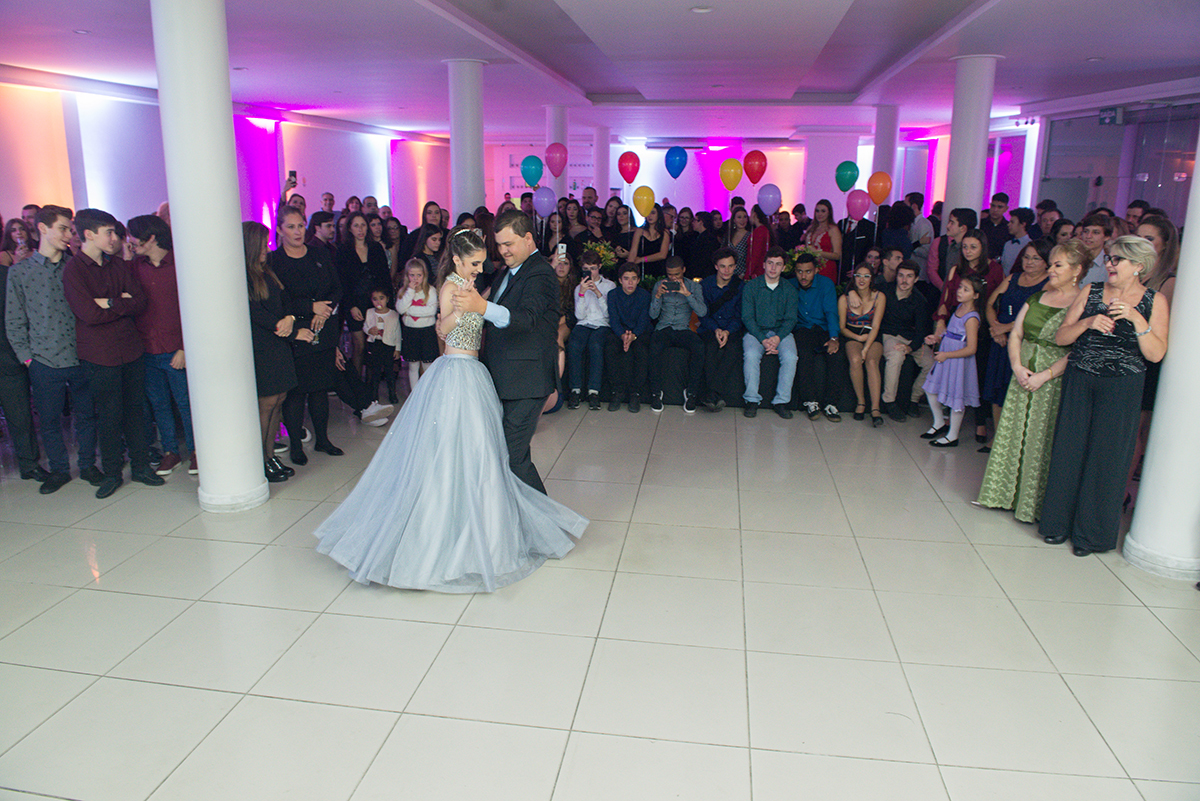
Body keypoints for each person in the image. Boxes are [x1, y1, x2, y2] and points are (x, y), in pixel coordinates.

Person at [314, 226, 585, 592]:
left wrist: (476, 302)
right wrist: (462, 310)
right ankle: (448, 532)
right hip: (456, 372)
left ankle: (493, 528)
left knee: (483, 455)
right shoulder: (449, 288)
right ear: (457, 260)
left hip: (476, 373)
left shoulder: (474, 286)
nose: (479, 269)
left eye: (481, 262)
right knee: (452, 455)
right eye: (473, 263)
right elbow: (441, 329)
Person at [1040, 236, 1169, 555]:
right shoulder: (1091, 291)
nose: (1109, 264)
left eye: (1118, 260)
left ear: (1138, 266)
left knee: (1107, 459)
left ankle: (1091, 536)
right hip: (1082, 377)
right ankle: (1056, 525)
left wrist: (1137, 319)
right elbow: (1061, 337)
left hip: (1123, 385)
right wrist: (1087, 322)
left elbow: (1156, 355)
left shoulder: (1155, 301)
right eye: (1109, 259)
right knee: (1069, 449)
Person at [976, 240, 1086, 522]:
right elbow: (1016, 333)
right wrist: (1017, 366)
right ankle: (1001, 494)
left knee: (1041, 437)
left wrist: (1044, 376)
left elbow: (1076, 350)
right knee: (1012, 431)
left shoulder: (1082, 304)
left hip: (1052, 379)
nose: (1051, 270)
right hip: (1022, 370)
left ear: (1077, 271)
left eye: (1057, 265)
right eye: (1051, 264)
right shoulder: (1038, 297)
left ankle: (1031, 504)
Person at [452, 210, 561, 493]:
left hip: (527, 380)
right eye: (498, 245)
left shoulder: (540, 273)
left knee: (513, 455)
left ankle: (545, 526)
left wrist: (481, 307)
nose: (503, 251)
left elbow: (524, 318)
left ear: (527, 238)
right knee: (505, 453)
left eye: (508, 244)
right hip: (504, 377)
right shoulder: (506, 271)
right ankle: (521, 519)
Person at [63, 208, 164, 498]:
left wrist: (108, 302)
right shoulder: (74, 271)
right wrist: (120, 303)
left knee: (136, 411)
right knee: (108, 416)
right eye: (108, 232)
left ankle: (142, 467)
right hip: (99, 354)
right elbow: (88, 315)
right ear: (89, 235)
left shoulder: (118, 266)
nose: (115, 238)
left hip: (130, 348)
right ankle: (111, 473)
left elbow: (140, 302)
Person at [6, 205, 102, 493]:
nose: (69, 234)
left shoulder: (76, 267)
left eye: (70, 229)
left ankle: (87, 465)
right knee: (49, 421)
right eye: (63, 228)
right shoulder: (20, 272)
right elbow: (14, 320)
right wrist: (27, 359)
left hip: (81, 355)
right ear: (43, 229)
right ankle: (59, 470)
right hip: (43, 361)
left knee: (86, 415)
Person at [271, 205, 345, 466]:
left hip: (323, 328)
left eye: (300, 225)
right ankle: (295, 445)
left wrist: (325, 310)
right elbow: (279, 302)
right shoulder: (274, 262)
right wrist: (309, 307)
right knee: (297, 393)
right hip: (296, 332)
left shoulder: (319, 253)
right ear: (280, 230)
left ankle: (323, 440)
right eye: (290, 227)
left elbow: (337, 288)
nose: (297, 231)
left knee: (320, 389)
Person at [127, 214, 197, 476]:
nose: (131, 242)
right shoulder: (135, 266)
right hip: (146, 347)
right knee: (159, 404)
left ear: (151, 237)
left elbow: (191, 308)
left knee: (185, 402)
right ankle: (170, 452)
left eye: (134, 237)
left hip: (176, 348)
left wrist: (183, 346)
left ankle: (196, 450)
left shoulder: (179, 263)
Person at [244, 221, 307, 483]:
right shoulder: (244, 275)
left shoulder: (266, 271)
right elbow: (252, 311)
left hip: (279, 342)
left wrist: (290, 317)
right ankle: (259, 460)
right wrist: (279, 324)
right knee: (266, 404)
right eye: (262, 243)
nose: (266, 247)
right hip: (262, 344)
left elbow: (286, 300)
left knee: (279, 400)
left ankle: (270, 456)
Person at [979, 239, 1051, 449]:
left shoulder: (1048, 284)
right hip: (1000, 340)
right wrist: (995, 327)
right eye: (1026, 257)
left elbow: (1038, 318)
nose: (1029, 262)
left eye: (1036, 258)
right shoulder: (1013, 278)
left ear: (1046, 262)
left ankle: (1013, 442)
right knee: (996, 388)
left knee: (1015, 389)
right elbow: (991, 303)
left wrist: (1007, 328)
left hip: (1024, 343)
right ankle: (997, 437)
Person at [0, 224, 46, 481]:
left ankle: (29, 464)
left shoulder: (6, 276)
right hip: (8, 357)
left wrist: (25, 355)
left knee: (19, 415)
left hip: (8, 357)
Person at [920, 277, 983, 447]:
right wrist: (937, 337)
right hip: (947, 355)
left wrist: (947, 355)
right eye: (960, 287)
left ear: (975, 295)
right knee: (930, 388)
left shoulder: (971, 317)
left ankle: (953, 435)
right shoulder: (958, 309)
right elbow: (951, 333)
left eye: (966, 290)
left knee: (957, 397)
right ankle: (939, 422)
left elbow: (971, 348)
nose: (960, 291)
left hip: (957, 360)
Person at [741, 248, 799, 418]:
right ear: (764, 265)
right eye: (770, 263)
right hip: (755, 331)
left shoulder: (789, 289)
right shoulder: (751, 287)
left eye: (778, 264)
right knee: (751, 354)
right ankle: (752, 400)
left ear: (784, 267)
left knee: (790, 357)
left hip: (781, 332)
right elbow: (747, 317)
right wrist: (763, 339)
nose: (773, 268)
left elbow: (791, 319)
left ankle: (781, 401)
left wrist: (777, 338)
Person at [647, 255, 707, 413]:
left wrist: (687, 294)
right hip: (663, 327)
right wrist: (658, 296)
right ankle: (655, 392)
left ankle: (691, 392)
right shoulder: (660, 285)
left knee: (699, 347)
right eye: (670, 275)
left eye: (676, 275)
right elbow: (653, 315)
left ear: (684, 271)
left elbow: (702, 311)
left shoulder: (693, 286)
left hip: (683, 328)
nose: (672, 278)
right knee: (653, 346)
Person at [336, 211, 391, 374]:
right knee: (359, 344)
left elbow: (384, 277)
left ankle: (372, 385)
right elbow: (343, 282)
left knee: (374, 344)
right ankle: (357, 383)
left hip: (375, 302)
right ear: (350, 229)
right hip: (353, 302)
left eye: (363, 225)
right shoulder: (343, 250)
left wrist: (385, 303)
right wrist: (351, 306)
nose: (360, 229)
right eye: (356, 226)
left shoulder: (375, 248)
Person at [791, 252, 842, 422]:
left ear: (816, 271)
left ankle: (831, 404)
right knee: (804, 354)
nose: (803, 276)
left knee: (835, 356)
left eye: (808, 271)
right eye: (799, 271)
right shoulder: (791, 285)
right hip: (803, 329)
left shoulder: (826, 284)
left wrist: (834, 338)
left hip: (823, 328)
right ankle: (810, 401)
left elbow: (831, 312)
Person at [878, 261, 930, 421]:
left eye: (909, 276)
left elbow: (922, 330)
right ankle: (889, 401)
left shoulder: (920, 300)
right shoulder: (884, 291)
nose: (904, 280)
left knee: (932, 363)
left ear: (916, 279)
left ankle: (913, 399)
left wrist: (910, 347)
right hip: (889, 335)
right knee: (896, 356)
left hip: (910, 338)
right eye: (901, 275)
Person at [565, 250, 614, 411]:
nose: (591, 272)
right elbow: (579, 315)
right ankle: (575, 390)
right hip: (584, 323)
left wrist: (598, 294)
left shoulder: (609, 286)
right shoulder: (580, 287)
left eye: (593, 268)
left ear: (599, 267)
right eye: (587, 269)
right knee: (574, 344)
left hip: (602, 324)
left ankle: (594, 391)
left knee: (596, 345)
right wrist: (583, 293)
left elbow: (608, 315)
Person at [696, 248, 743, 411]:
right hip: (710, 327)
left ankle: (711, 393)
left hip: (732, 329)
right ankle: (715, 394)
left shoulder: (740, 286)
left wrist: (727, 331)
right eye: (723, 266)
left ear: (735, 266)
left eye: (730, 266)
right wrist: (716, 329)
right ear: (716, 266)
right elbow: (703, 314)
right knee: (709, 347)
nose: (727, 270)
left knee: (733, 348)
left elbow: (739, 316)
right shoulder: (705, 285)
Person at [840, 264, 886, 426]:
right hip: (853, 335)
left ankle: (875, 408)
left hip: (873, 337)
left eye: (866, 276)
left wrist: (866, 347)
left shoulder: (879, 297)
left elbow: (876, 326)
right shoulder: (844, 299)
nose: (862, 279)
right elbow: (842, 328)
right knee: (855, 359)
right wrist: (858, 340)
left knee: (871, 361)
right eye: (859, 275)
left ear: (872, 278)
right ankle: (861, 402)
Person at [604, 263, 652, 412]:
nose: (630, 283)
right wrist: (623, 335)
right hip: (619, 331)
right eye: (626, 279)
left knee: (641, 352)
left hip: (640, 331)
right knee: (610, 348)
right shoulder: (613, 295)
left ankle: (635, 392)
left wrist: (633, 336)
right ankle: (617, 391)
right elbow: (614, 319)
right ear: (620, 280)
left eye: (633, 279)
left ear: (638, 280)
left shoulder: (644, 295)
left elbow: (644, 320)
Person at [397, 258, 439, 390]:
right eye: (412, 275)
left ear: (424, 275)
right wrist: (410, 292)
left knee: (427, 365)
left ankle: (425, 392)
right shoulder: (404, 292)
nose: (415, 278)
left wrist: (409, 311)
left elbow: (431, 311)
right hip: (411, 331)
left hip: (427, 332)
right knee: (413, 365)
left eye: (419, 275)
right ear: (407, 276)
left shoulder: (430, 291)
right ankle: (414, 394)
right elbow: (400, 309)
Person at [363, 286, 400, 407]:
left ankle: (392, 393)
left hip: (388, 346)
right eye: (375, 299)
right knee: (375, 371)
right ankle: (374, 395)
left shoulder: (393, 314)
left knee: (390, 372)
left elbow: (397, 332)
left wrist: (397, 349)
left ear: (387, 299)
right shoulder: (369, 312)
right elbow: (365, 326)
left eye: (381, 298)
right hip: (375, 345)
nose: (378, 302)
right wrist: (369, 331)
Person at [927, 207, 976, 290]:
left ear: (963, 228)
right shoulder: (950, 246)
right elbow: (932, 270)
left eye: (952, 223)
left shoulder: (972, 251)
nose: (947, 226)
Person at [803, 199, 842, 283]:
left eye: (823, 211)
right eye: (817, 211)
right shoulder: (811, 228)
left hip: (826, 269)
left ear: (829, 213)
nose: (819, 214)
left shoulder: (833, 229)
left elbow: (837, 255)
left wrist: (817, 252)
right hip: (810, 269)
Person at [629, 203, 670, 277]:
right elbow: (633, 252)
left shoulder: (665, 232)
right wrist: (628, 269)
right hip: (642, 270)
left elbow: (662, 255)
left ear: (659, 215)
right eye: (648, 213)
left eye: (653, 213)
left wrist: (642, 259)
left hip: (659, 270)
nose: (650, 216)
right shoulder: (639, 231)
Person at [1077, 212, 1113, 285]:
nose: (1088, 236)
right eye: (1086, 231)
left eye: (1095, 232)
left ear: (1106, 237)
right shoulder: (1072, 258)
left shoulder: (1109, 266)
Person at [1000, 207, 1035, 275]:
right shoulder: (1007, 244)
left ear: (1023, 224)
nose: (1008, 224)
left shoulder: (1030, 245)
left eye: (1012, 222)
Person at [687, 211, 720, 279]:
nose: (693, 223)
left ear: (701, 222)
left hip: (703, 276)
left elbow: (703, 260)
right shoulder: (702, 237)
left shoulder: (708, 239)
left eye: (695, 220)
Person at [744, 205, 773, 280]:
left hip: (757, 271)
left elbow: (755, 255)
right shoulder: (765, 230)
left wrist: (748, 274)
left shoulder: (759, 232)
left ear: (754, 214)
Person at [979, 192, 1009, 259]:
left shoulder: (1008, 228)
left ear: (1006, 209)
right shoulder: (981, 224)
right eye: (993, 206)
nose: (995, 210)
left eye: (1000, 207)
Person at [725, 206, 752, 277]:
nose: (742, 220)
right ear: (734, 220)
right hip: (727, 274)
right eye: (739, 217)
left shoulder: (750, 236)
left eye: (745, 217)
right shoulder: (729, 235)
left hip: (743, 276)